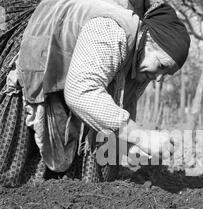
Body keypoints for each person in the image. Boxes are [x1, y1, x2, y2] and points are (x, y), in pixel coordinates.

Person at [0, 0, 190, 187]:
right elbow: (81, 93)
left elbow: (118, 111)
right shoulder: (111, 31)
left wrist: (135, 146)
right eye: (162, 66)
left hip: (70, 78)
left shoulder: (141, 63)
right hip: (42, 61)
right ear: (148, 39)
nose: (158, 78)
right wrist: (142, 137)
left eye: (166, 73)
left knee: (91, 177)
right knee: (12, 174)